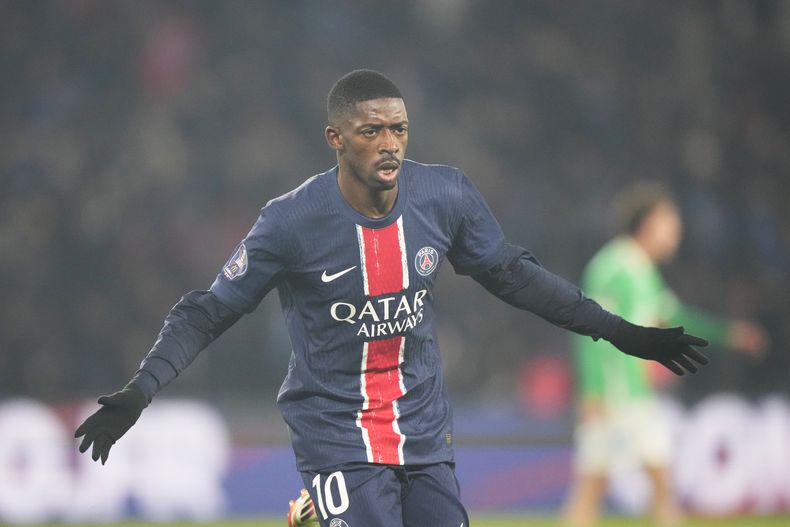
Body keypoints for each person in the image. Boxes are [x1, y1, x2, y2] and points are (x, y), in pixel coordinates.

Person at [75, 70, 709, 527]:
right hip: (336, 431)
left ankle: (315, 514)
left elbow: (517, 277)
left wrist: (624, 333)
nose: (390, 144)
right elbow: (208, 311)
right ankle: (325, 504)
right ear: (336, 139)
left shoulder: (446, 197)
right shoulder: (290, 221)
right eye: (371, 130)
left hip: (422, 430)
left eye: (399, 129)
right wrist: (141, 390)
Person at [562, 182, 767, 527]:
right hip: (616, 394)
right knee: (616, 485)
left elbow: (675, 318)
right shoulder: (613, 267)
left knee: (609, 485)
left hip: (632, 394)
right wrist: (593, 389)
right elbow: (587, 329)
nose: (676, 231)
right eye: (669, 222)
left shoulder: (641, 271)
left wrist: (730, 334)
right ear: (648, 223)